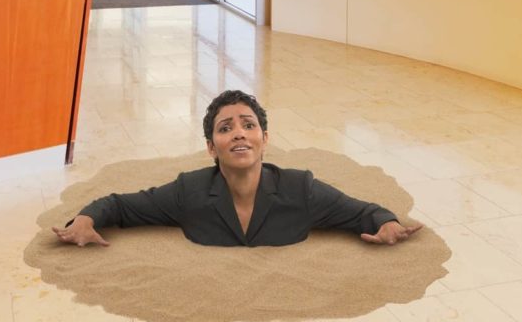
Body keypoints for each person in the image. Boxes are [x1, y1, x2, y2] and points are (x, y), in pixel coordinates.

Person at [53, 90, 422, 247]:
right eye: (225, 129)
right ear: (211, 148)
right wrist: (85, 219)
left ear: (265, 138)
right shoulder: (188, 191)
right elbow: (122, 205)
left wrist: (386, 222)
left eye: (248, 125)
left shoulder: (301, 188)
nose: (239, 135)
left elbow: (360, 211)